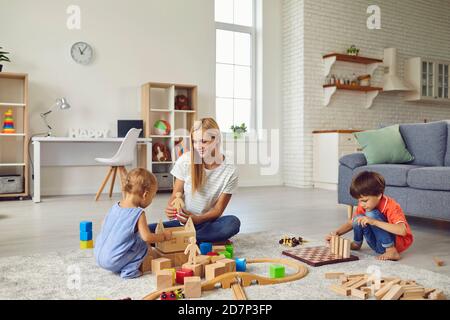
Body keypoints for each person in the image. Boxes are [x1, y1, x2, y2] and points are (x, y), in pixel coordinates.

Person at [149, 118, 241, 243]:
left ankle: (180, 239)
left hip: (207, 223)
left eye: (204, 142)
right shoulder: (185, 161)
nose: (198, 147)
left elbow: (218, 210)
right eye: (195, 142)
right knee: (145, 230)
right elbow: (176, 195)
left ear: (217, 140)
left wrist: (198, 219)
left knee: (232, 223)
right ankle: (197, 239)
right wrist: (171, 208)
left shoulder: (230, 170)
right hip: (183, 223)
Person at [94, 168, 171, 278]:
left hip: (98, 256)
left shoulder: (115, 207)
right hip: (113, 261)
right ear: (145, 194)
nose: (152, 200)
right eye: (152, 196)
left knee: (131, 238)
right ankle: (129, 271)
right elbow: (147, 237)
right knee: (142, 245)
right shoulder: (138, 213)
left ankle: (119, 261)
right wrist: (163, 236)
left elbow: (103, 225)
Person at [326, 171, 413, 261]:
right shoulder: (365, 205)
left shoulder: (392, 206)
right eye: (359, 200)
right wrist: (336, 233)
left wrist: (374, 222)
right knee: (358, 218)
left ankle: (391, 250)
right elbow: (352, 222)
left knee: (371, 214)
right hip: (375, 244)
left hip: (393, 244)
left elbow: (402, 230)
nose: (361, 204)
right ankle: (356, 244)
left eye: (365, 200)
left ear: (379, 195)